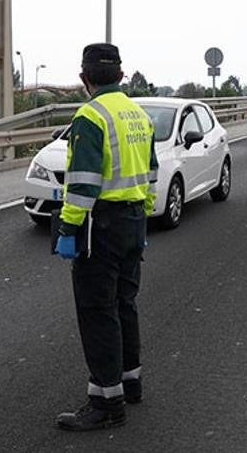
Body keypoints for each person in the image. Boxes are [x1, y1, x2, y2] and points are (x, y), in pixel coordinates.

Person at [53, 43, 159, 432]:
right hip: (133, 221)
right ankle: (130, 381)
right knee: (124, 303)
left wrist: (68, 229)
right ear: (121, 75)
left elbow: (81, 185)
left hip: (101, 226)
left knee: (98, 312)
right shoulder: (138, 114)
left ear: (84, 80)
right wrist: (143, 217)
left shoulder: (90, 116)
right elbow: (150, 173)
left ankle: (106, 402)